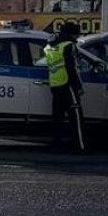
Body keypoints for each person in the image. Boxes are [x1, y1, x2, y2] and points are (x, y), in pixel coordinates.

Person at [44, 21, 85, 153]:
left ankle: (57, 145)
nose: (77, 38)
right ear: (72, 34)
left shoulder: (50, 45)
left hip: (55, 84)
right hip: (68, 84)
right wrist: (78, 85)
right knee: (76, 116)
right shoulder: (69, 45)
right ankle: (80, 146)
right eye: (77, 35)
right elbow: (72, 68)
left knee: (58, 117)